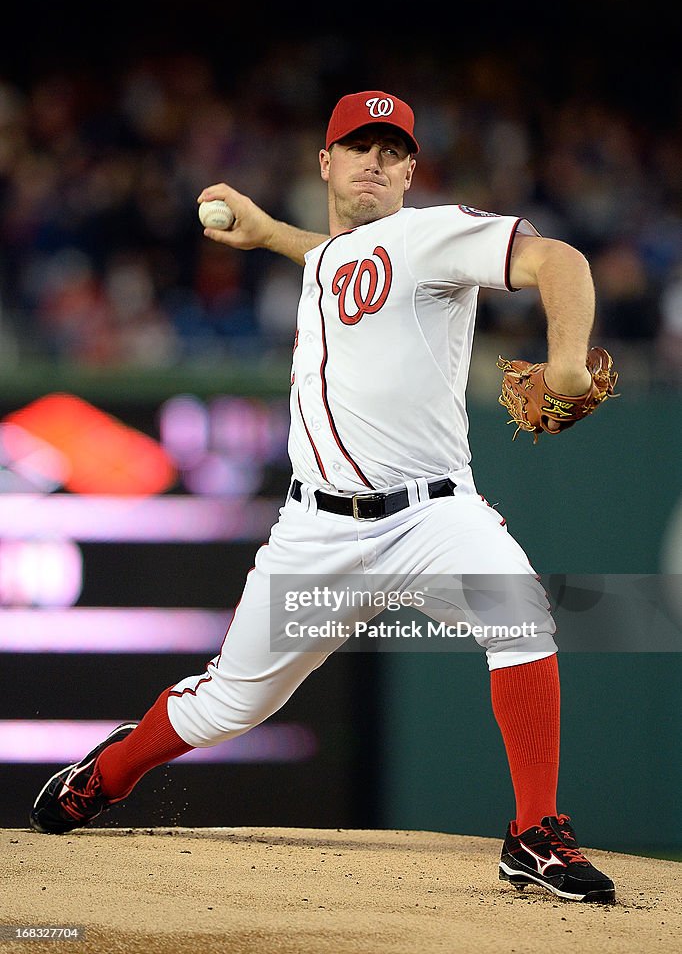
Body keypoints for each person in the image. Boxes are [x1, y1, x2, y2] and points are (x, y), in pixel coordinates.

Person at [30, 90, 615, 903]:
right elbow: (342, 260)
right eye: (358, 147)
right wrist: (272, 234)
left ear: (411, 170)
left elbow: (561, 261)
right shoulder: (333, 257)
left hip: (431, 516)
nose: (375, 161)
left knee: (520, 612)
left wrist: (566, 363)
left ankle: (535, 833)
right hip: (318, 532)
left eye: (392, 150)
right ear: (326, 164)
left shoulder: (431, 233)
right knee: (230, 707)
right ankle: (113, 771)